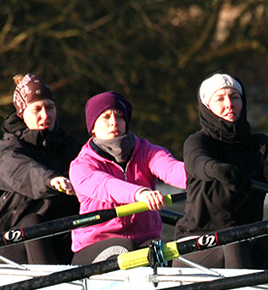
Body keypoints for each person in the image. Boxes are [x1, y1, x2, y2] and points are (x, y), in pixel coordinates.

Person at [175, 73, 268, 269]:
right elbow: (199, 163)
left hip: (246, 237)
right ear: (207, 106)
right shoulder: (197, 142)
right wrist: (219, 170)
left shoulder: (263, 145)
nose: (229, 104)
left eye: (234, 97)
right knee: (235, 242)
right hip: (196, 241)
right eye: (220, 99)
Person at [69, 91, 187, 264]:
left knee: (169, 251)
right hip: (95, 246)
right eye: (106, 117)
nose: (114, 122)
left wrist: (202, 177)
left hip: (144, 240)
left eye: (119, 116)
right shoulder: (81, 166)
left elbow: (172, 169)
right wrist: (141, 194)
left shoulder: (147, 151)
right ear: (92, 127)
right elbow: (106, 186)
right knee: (125, 248)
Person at [0, 74, 82, 265]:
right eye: (37, 109)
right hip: (9, 246)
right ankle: (52, 281)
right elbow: (23, 171)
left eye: (50, 108)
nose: (45, 115)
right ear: (22, 114)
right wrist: (50, 180)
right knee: (33, 222)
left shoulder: (69, 146)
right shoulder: (9, 148)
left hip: (59, 239)